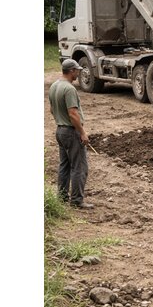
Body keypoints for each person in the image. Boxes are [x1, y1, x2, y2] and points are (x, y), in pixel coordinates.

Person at [48, 59, 94, 209]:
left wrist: (60, 121)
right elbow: (73, 113)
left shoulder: (54, 86)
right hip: (71, 132)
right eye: (77, 70)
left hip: (60, 130)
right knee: (79, 167)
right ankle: (76, 200)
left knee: (64, 165)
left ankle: (62, 197)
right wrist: (82, 133)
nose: (78, 73)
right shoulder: (69, 89)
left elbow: (52, 109)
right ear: (72, 70)